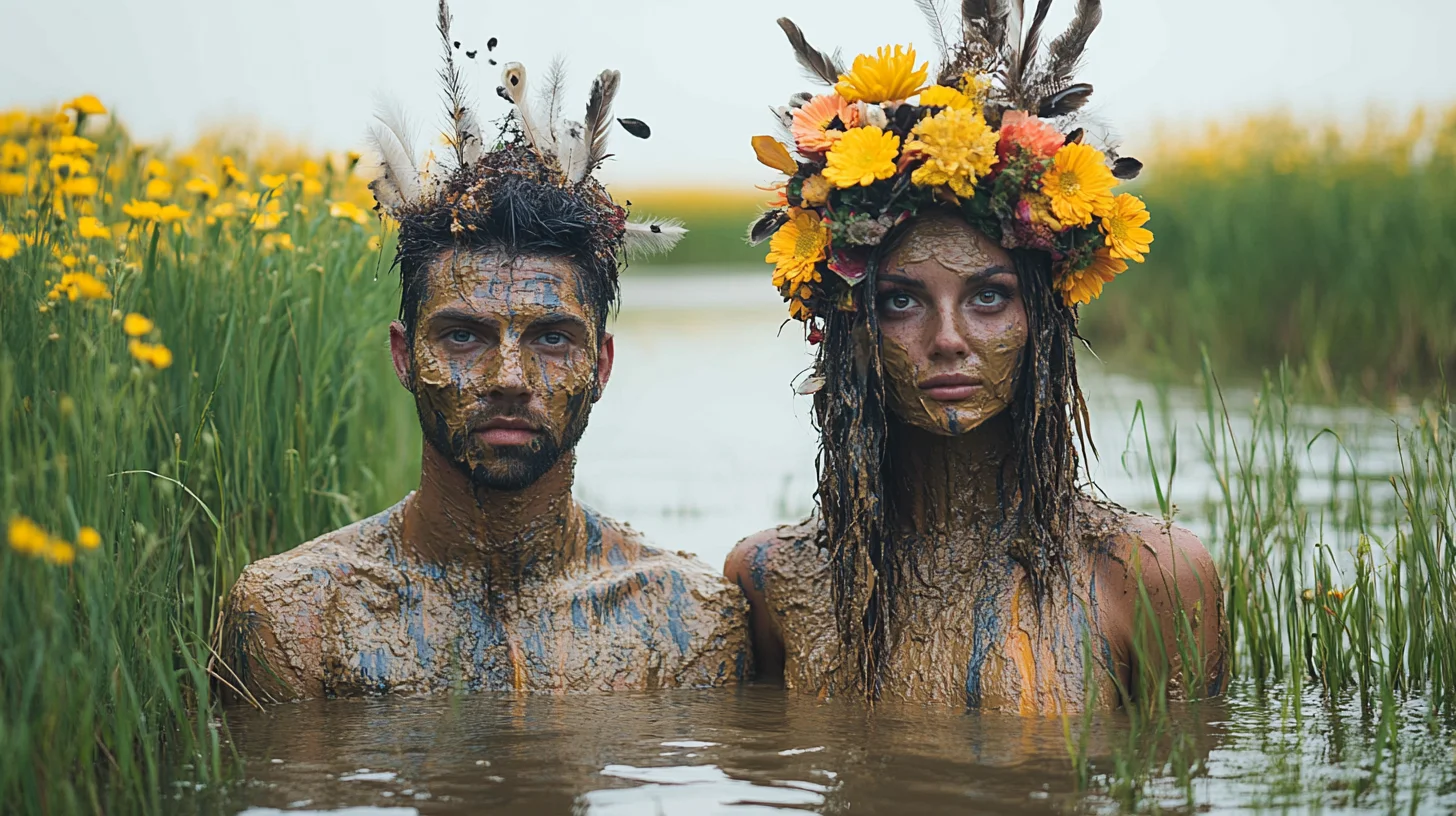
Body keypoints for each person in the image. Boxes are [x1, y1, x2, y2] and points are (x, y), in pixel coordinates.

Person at [223, 1, 747, 702]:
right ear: (404, 356)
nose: (509, 378)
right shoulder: (300, 613)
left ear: (602, 365)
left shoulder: (685, 618)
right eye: (463, 335)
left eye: (551, 338)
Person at [726, 2, 1226, 711]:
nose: (948, 338)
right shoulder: (769, 578)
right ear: (851, 329)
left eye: (988, 297)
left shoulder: (1152, 576)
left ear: (1043, 320)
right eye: (902, 301)